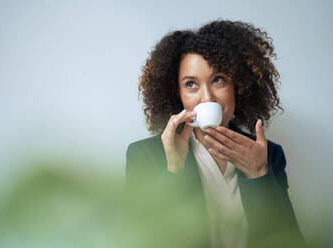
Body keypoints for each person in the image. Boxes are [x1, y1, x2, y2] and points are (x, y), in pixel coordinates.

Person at [125, 20, 305, 248]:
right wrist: (174, 170)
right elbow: (138, 240)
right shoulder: (144, 155)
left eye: (218, 80)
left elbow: (289, 243)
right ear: (177, 94)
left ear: (238, 86)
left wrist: (259, 174)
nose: (207, 98)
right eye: (191, 84)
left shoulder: (269, 155)